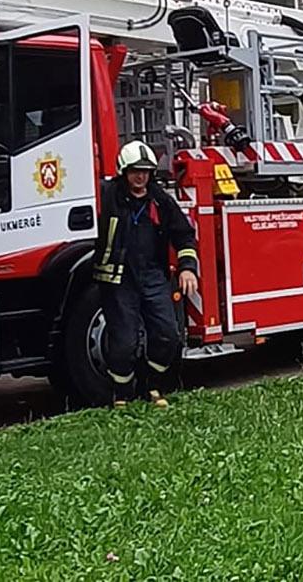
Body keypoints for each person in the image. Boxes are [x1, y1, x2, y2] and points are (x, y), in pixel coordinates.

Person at [93, 140, 199, 406]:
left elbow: (185, 235)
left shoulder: (160, 201)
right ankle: (123, 394)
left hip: (153, 277)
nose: (140, 176)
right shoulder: (107, 196)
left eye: (145, 171)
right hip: (119, 279)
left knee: (168, 334)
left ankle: (152, 387)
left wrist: (188, 268)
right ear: (123, 171)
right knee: (124, 340)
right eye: (134, 171)